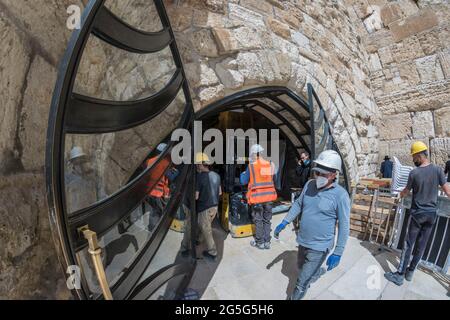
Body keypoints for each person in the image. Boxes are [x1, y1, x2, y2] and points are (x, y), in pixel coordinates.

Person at [274, 150, 350, 300]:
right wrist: (285, 221)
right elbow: (298, 204)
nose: (319, 177)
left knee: (301, 283)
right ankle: (316, 272)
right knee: (301, 268)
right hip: (303, 241)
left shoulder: (341, 195)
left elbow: (344, 225)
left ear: (334, 174)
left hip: (320, 246)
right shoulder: (309, 185)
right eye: (317, 173)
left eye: (324, 174)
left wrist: (338, 251)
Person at [385, 142, 450, 286]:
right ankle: (410, 272)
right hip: (431, 215)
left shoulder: (414, 173)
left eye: (414, 156)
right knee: (421, 246)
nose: (414, 159)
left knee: (409, 244)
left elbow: (406, 191)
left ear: (420, 156)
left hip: (417, 215)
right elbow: (448, 191)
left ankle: (400, 275)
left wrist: (399, 196)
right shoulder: (438, 170)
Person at [240, 144, 278, 250]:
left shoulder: (251, 166)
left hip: (257, 198)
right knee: (267, 220)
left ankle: (260, 242)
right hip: (269, 198)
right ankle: (267, 242)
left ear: (253, 154)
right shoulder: (271, 164)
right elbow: (273, 179)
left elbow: (243, 181)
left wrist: (243, 173)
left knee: (258, 220)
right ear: (261, 153)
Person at [195, 152, 222, 261]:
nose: (197, 166)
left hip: (204, 207)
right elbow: (219, 192)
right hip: (214, 206)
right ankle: (199, 239)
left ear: (201, 164)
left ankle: (213, 252)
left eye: (197, 164)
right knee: (204, 225)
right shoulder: (216, 175)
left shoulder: (200, 177)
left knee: (206, 229)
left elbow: (196, 196)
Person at [65, 146, 97, 213]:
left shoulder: (90, 177)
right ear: (72, 163)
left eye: (81, 160)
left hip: (92, 210)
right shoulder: (68, 179)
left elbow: (101, 195)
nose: (80, 164)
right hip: (76, 213)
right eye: (76, 161)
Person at [146, 143, 170, 230]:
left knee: (153, 210)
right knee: (156, 212)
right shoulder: (165, 163)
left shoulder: (149, 161)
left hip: (149, 191)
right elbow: (168, 178)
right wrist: (166, 194)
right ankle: (153, 229)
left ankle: (152, 227)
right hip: (158, 193)